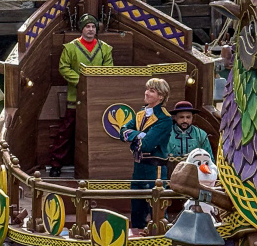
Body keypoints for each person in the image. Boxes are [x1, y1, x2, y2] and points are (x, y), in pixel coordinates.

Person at [54, 14, 113, 176]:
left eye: (93, 27)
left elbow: (109, 70)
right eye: (87, 26)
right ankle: (56, 164)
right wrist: (82, 81)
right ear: (82, 29)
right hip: (75, 99)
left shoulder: (105, 49)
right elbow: (64, 68)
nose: (91, 29)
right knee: (66, 132)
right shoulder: (70, 48)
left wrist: (96, 83)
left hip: (97, 99)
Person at [118, 78, 173, 230]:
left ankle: (159, 238)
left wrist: (134, 137)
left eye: (152, 91)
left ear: (161, 96)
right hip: (138, 167)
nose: (146, 93)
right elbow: (122, 132)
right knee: (136, 210)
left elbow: (147, 145)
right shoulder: (140, 114)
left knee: (157, 211)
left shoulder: (164, 119)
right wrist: (140, 135)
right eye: (147, 89)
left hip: (155, 170)